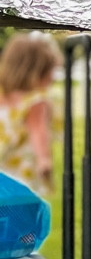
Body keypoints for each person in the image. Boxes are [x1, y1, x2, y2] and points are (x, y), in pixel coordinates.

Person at [0, 33, 62, 195]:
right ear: (36, 72)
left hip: (3, 169)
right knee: (21, 218)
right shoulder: (36, 101)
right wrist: (44, 161)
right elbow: (38, 131)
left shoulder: (3, 96)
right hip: (21, 176)